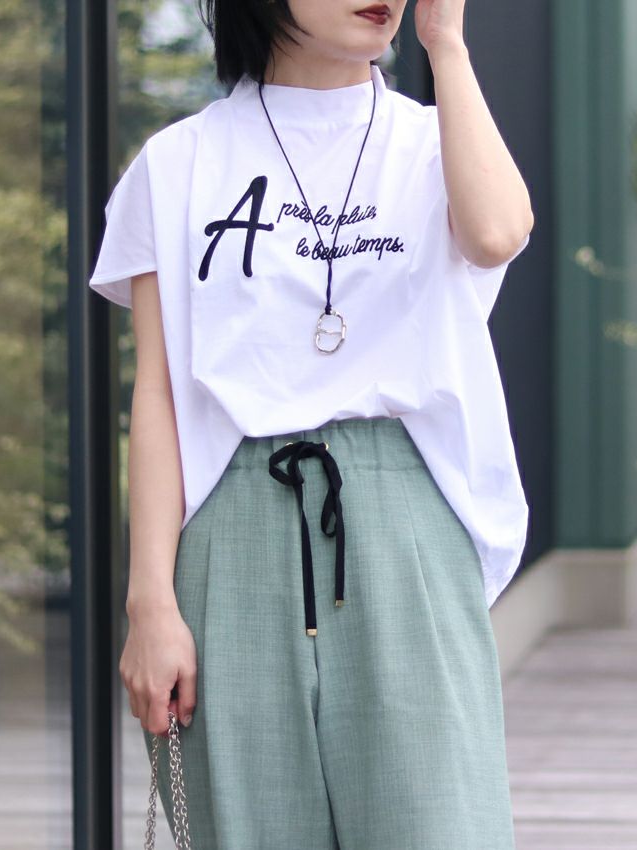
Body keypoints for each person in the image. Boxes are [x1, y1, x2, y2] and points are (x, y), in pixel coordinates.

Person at [88, 0, 533, 847]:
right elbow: (159, 395)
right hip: (233, 528)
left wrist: (446, 45)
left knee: (440, 826)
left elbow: (497, 233)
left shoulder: (436, 141)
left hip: (404, 519)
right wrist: (150, 604)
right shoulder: (177, 164)